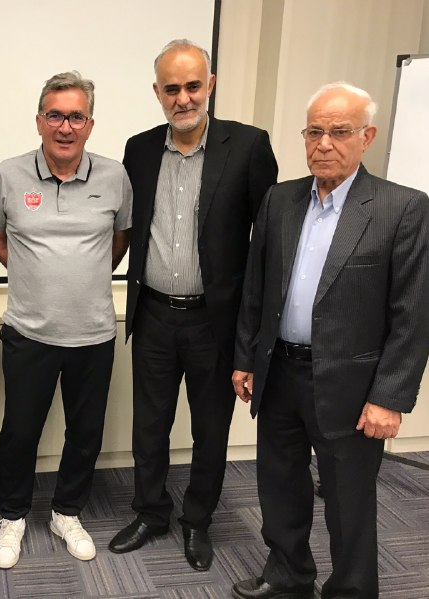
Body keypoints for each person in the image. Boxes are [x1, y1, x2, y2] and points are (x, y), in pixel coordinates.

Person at [231, 82, 429, 599]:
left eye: (339, 131)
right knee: (279, 484)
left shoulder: (402, 208)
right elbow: (256, 288)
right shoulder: (280, 200)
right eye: (314, 131)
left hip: (352, 386)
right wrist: (247, 358)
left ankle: (352, 590)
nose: (324, 143)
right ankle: (288, 575)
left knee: (348, 499)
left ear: (367, 137)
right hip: (280, 373)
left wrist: (389, 397)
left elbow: (412, 314)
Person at [108, 39, 278, 571]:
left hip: (215, 322)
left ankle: (198, 521)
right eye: (171, 89)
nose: (183, 98)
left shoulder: (248, 146)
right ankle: (151, 512)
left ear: (211, 85)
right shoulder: (138, 150)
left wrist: (254, 333)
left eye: (192, 86)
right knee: (149, 427)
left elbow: (268, 242)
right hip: (154, 315)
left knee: (211, 430)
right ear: (157, 92)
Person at [0, 71, 132, 569]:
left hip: (94, 333)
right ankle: (12, 517)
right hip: (29, 332)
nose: (65, 127)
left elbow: (119, 240)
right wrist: (30, 270)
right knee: (20, 432)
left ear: (90, 124)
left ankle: (67, 513)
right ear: (39, 121)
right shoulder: (9, 173)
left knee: (85, 434)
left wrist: (83, 274)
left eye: (76, 117)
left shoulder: (114, 176)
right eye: (55, 116)